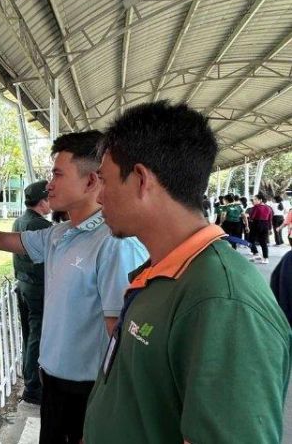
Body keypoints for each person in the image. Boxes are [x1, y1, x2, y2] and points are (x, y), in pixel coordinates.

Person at [0, 131, 147, 444]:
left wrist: (107, 417)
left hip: (88, 394)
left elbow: (122, 338)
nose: (49, 184)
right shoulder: (58, 236)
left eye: (58, 174)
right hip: (55, 384)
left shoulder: (114, 244)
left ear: (91, 181)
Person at [83, 101, 291, 443]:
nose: (100, 197)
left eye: (103, 181)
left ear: (140, 179)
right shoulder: (162, 271)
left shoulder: (223, 301)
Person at [11, 179, 52, 405]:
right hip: (37, 288)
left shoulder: (19, 221)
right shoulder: (41, 226)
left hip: (23, 285)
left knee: (29, 334)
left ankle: (30, 379)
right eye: (48, 199)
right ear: (42, 202)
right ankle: (33, 386)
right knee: (37, 334)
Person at [248, 193, 274, 264]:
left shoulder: (256, 207)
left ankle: (256, 253)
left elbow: (251, 217)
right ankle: (266, 258)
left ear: (260, 200)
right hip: (265, 225)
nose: (254, 201)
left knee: (250, 240)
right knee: (263, 243)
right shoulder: (269, 208)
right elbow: (270, 219)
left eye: (255, 199)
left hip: (256, 224)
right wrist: (270, 228)